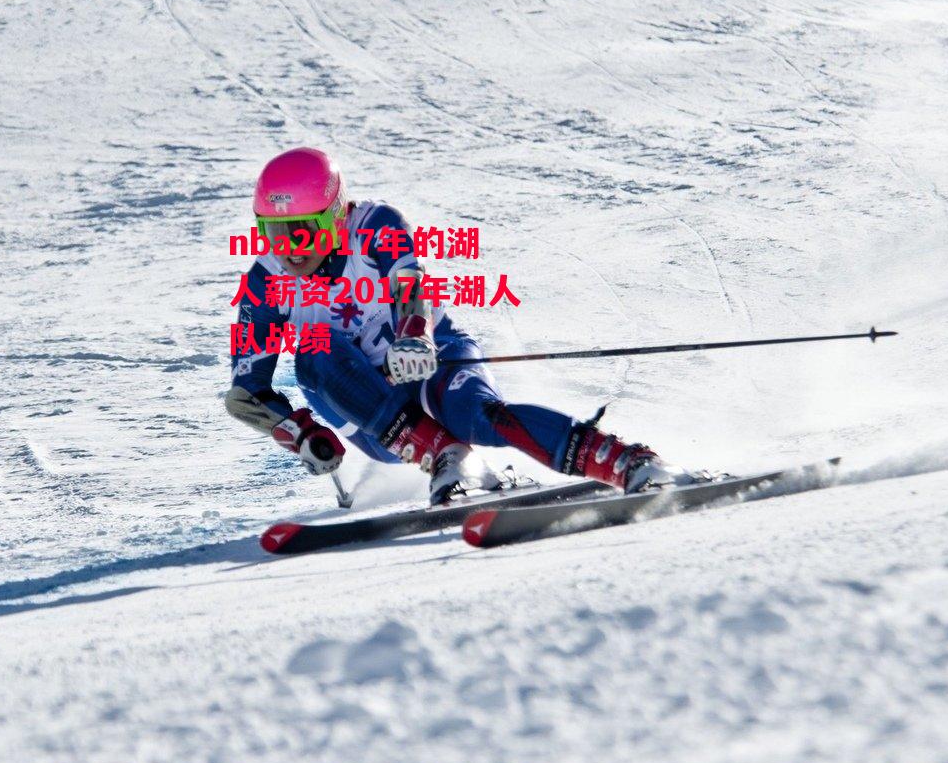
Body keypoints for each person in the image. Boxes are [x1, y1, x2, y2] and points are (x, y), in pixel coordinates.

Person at [224, 146, 712, 505]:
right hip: (375, 417)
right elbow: (247, 392)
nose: (289, 248)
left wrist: (415, 333)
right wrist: (300, 432)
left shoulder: (376, 224)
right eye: (272, 231)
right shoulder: (265, 282)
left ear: (335, 214)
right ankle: (448, 458)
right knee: (314, 349)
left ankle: (630, 463)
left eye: (301, 230)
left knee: (476, 415)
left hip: (426, 361)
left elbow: (408, 283)